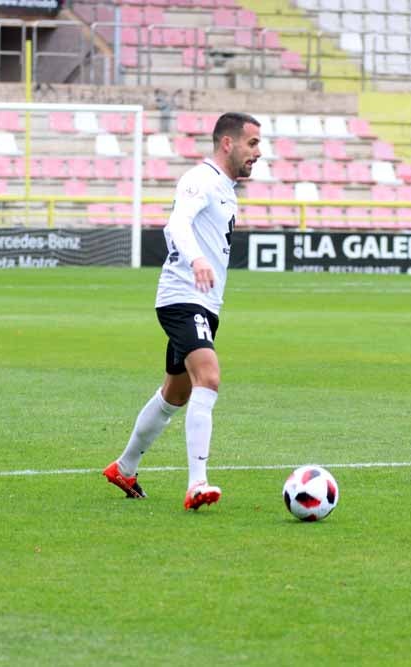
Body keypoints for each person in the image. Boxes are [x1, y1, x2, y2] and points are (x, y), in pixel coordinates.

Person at [103, 112, 262, 510]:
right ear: (228, 143)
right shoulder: (200, 180)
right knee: (208, 376)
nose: (258, 153)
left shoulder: (225, 187)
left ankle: (124, 467)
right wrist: (195, 260)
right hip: (182, 297)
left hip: (204, 303)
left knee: (176, 393)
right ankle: (197, 483)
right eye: (252, 143)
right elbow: (176, 225)